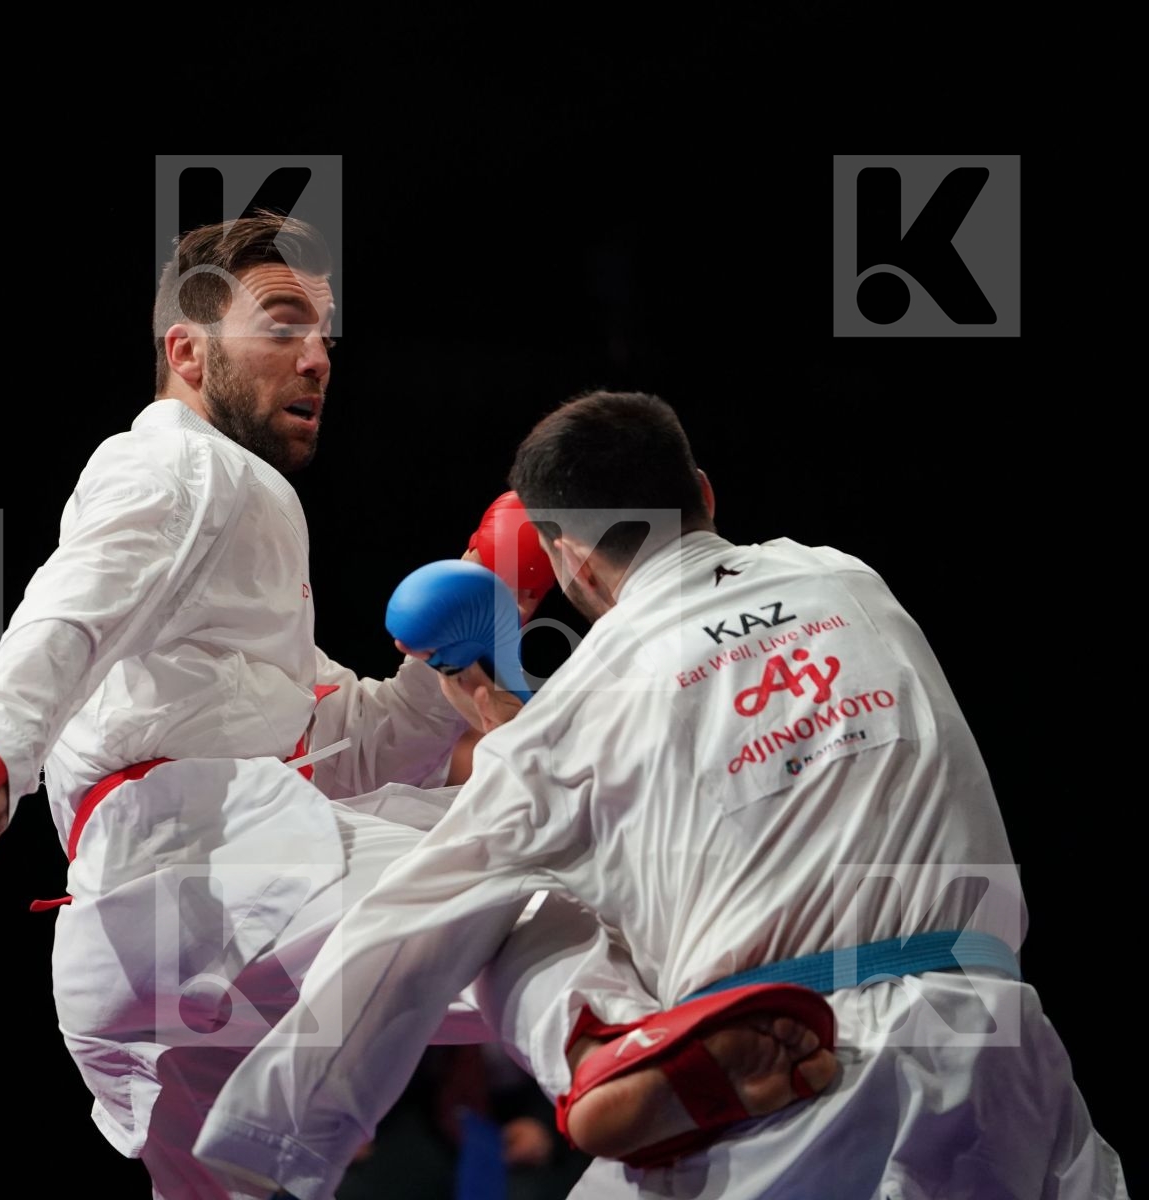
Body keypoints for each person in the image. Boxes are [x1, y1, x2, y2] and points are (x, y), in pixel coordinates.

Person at [194, 391, 1129, 1199]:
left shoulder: (580, 709)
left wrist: (274, 1134)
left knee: (522, 905)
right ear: (705, 494)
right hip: (1001, 1043)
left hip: (800, 1074)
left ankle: (607, 1045)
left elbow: (409, 922)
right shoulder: (851, 579)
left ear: (570, 564)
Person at [0, 213, 618, 1199]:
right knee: (559, 899)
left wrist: (475, 622)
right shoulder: (177, 464)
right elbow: (71, 611)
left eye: (326, 336)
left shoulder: (242, 535)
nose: (316, 358)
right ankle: (643, 1064)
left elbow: (343, 743)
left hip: (151, 950)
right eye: (283, 323)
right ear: (187, 347)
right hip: (210, 869)